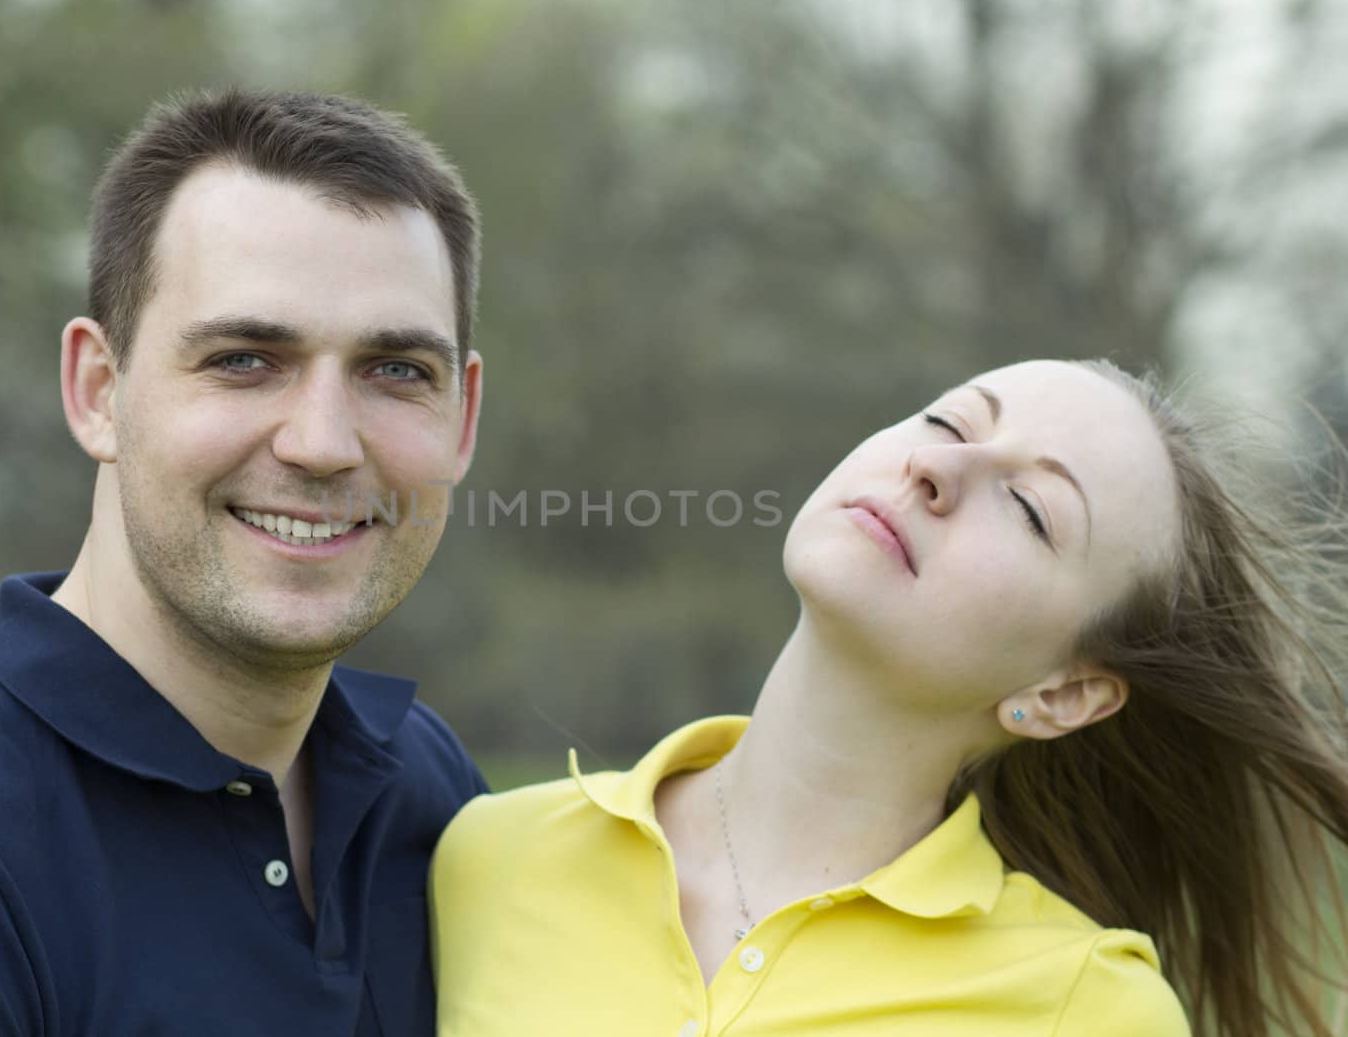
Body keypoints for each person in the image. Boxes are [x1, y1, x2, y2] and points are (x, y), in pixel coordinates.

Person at [0, 88, 486, 1035]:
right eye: (244, 359)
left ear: (462, 419)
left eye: (396, 371)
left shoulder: (429, 793)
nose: (323, 443)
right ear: (99, 390)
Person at [431, 358, 1348, 1037]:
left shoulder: (1089, 1008)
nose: (936, 471)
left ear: (1065, 692)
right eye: (949, 424)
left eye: (1029, 509)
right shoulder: (486, 856)